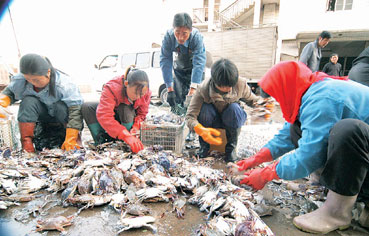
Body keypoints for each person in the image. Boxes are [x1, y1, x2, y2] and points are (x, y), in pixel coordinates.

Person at [228, 61, 369, 234]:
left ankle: (337, 211)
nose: (277, 101)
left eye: (277, 96)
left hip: (364, 157)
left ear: (286, 88)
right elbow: (286, 135)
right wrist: (253, 160)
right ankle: (325, 187)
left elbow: (309, 156)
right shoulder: (310, 90)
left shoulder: (323, 98)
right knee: (297, 128)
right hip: (363, 161)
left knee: (347, 131)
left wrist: (266, 174)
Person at [0, 53, 84, 153]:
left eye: (36, 79)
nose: (32, 82)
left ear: (48, 73)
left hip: (62, 120)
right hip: (41, 120)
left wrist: (71, 138)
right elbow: (10, 93)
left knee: (62, 106)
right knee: (28, 101)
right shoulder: (20, 80)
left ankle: (72, 139)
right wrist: (3, 102)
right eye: (28, 79)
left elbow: (75, 111)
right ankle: (27, 143)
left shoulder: (64, 84)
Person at [185, 58, 261, 162]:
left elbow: (253, 101)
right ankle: (204, 147)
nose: (229, 89)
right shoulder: (203, 89)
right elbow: (190, 116)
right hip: (212, 121)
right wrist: (200, 129)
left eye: (231, 85)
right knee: (205, 110)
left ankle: (231, 149)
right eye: (225, 87)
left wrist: (263, 105)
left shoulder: (240, 84)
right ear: (215, 82)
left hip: (231, 119)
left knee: (234, 109)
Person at [81, 66, 151, 153]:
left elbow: (142, 114)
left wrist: (136, 126)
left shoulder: (146, 91)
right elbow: (104, 115)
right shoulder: (111, 87)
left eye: (141, 95)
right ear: (126, 84)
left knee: (125, 107)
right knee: (87, 107)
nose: (138, 97)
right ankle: (101, 141)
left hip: (128, 118)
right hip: (114, 119)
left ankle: (125, 144)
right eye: (135, 93)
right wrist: (124, 135)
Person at [160, 12, 207, 109]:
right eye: (177, 32)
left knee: (196, 102)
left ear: (190, 30)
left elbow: (199, 63)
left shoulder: (196, 38)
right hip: (180, 68)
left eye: (184, 33)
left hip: (195, 69)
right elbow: (165, 61)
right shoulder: (168, 38)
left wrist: (192, 91)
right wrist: (169, 89)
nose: (180, 38)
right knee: (177, 100)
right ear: (173, 29)